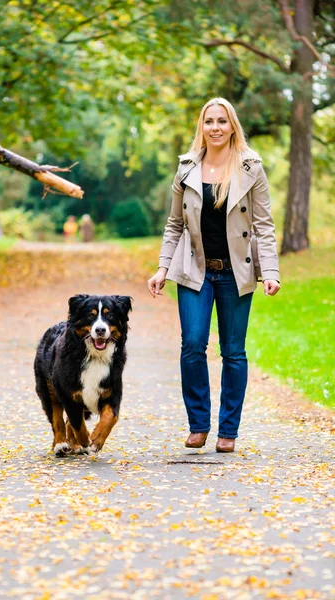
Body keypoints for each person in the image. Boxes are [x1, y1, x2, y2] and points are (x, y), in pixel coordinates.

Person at [147, 97, 280, 453]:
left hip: (236, 272)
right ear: (201, 128)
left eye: (222, 121)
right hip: (194, 270)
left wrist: (270, 271)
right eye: (209, 122)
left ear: (232, 125)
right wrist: (162, 268)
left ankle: (228, 431)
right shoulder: (186, 168)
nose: (216, 127)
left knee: (233, 352)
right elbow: (174, 224)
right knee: (192, 345)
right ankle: (198, 424)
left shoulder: (251, 168)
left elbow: (264, 226)